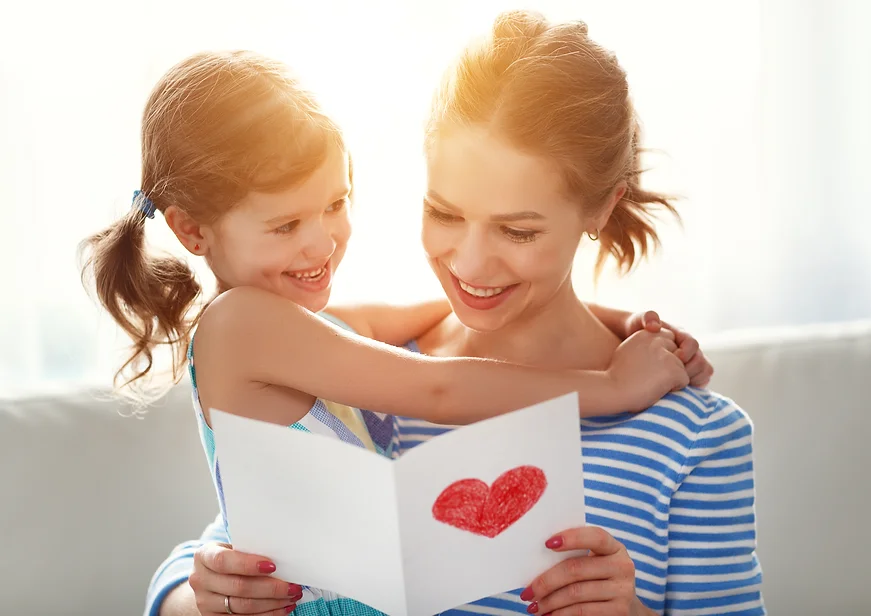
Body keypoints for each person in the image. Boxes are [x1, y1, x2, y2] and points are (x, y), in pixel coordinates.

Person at [147, 10, 762, 616]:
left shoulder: (693, 433)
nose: (471, 265)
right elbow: (223, 543)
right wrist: (199, 599)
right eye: (444, 213)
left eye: (517, 231)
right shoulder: (367, 376)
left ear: (601, 209)